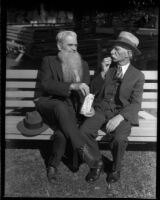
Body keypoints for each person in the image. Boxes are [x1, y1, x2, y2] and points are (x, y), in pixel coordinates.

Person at [34, 30, 103, 183]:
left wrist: (87, 106)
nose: (74, 48)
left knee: (62, 134)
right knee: (59, 106)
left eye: (76, 45)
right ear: (59, 46)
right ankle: (83, 151)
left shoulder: (83, 64)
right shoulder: (48, 61)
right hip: (48, 103)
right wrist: (72, 85)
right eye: (70, 45)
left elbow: (86, 91)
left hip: (70, 108)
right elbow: (46, 85)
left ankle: (52, 166)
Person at [79, 31, 145, 183]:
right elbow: (93, 90)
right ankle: (97, 163)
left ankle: (116, 167)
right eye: (112, 49)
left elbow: (136, 103)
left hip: (121, 113)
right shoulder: (107, 67)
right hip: (101, 109)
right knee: (83, 132)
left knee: (119, 140)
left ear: (128, 54)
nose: (111, 52)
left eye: (117, 50)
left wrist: (120, 117)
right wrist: (102, 72)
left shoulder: (138, 76)